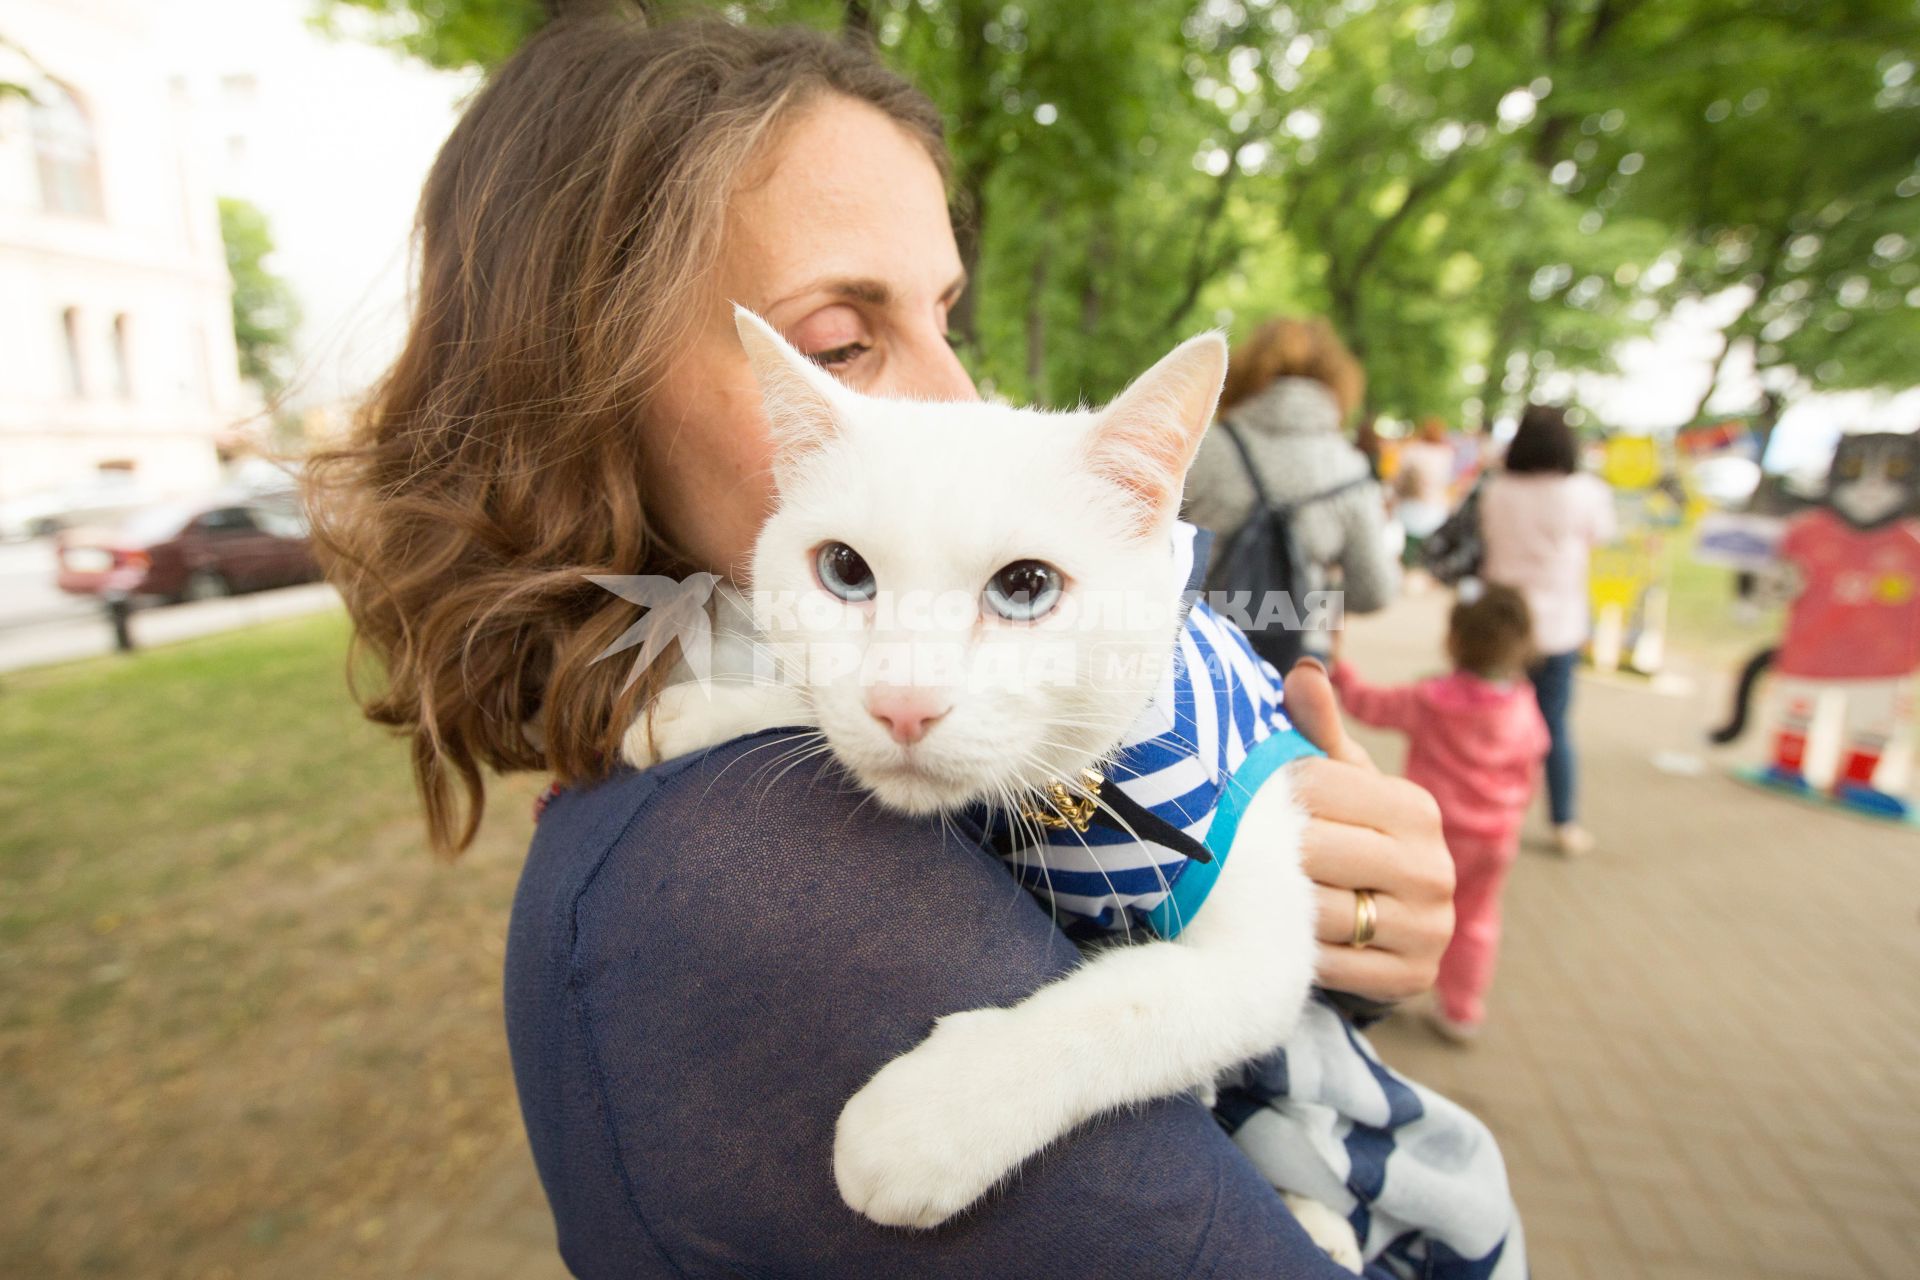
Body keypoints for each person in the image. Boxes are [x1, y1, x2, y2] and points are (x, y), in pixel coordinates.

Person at [308, 12, 1459, 1275]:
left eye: (945, 314)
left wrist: (1345, 908)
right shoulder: (750, 882)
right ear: (580, 382)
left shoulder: (712, 757)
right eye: (839, 345)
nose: (956, 405)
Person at [1330, 586, 1550, 1042]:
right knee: (1476, 920)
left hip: (1429, 835)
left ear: (1453, 640)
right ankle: (1461, 1009)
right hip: (1494, 841)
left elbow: (1365, 705)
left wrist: (1337, 665)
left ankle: (1376, 991)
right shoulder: (1525, 707)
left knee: (1397, 910)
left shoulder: (1431, 700)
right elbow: (1531, 767)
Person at [1183, 315, 1401, 651]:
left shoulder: (1201, 449)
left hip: (1199, 650)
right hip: (1299, 658)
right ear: (1338, 382)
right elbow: (1374, 590)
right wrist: (1313, 598)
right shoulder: (1348, 468)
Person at [1479, 405, 1616, 856]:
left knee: (1492, 725)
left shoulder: (1497, 490)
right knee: (1552, 724)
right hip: (1559, 624)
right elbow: (1601, 536)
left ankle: (1491, 814)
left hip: (1501, 623)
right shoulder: (1586, 492)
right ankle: (1564, 822)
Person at [1394, 416, 1455, 563]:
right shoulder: (1445, 454)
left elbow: (1398, 477)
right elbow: (1447, 480)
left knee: (1407, 549)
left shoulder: (1412, 450)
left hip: (1408, 506)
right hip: (1435, 508)